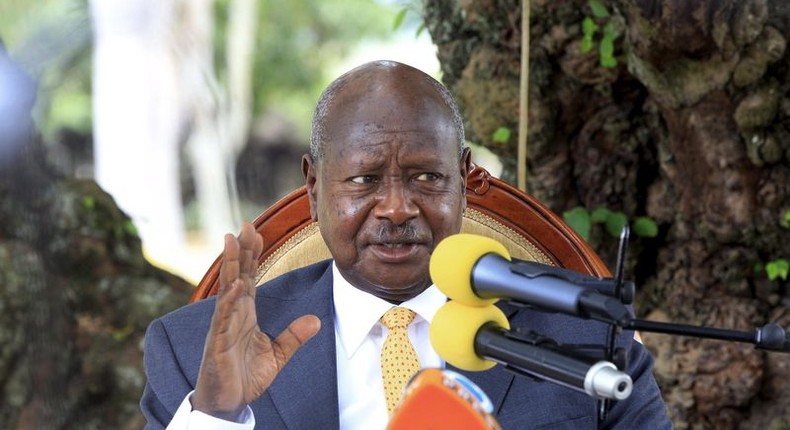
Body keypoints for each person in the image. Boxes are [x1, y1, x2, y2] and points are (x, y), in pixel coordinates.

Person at [141, 60, 672, 429]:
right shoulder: (195, 354)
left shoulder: (585, 338)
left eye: (425, 177)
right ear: (313, 187)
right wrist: (217, 416)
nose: (397, 208)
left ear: (464, 179)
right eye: (364, 180)